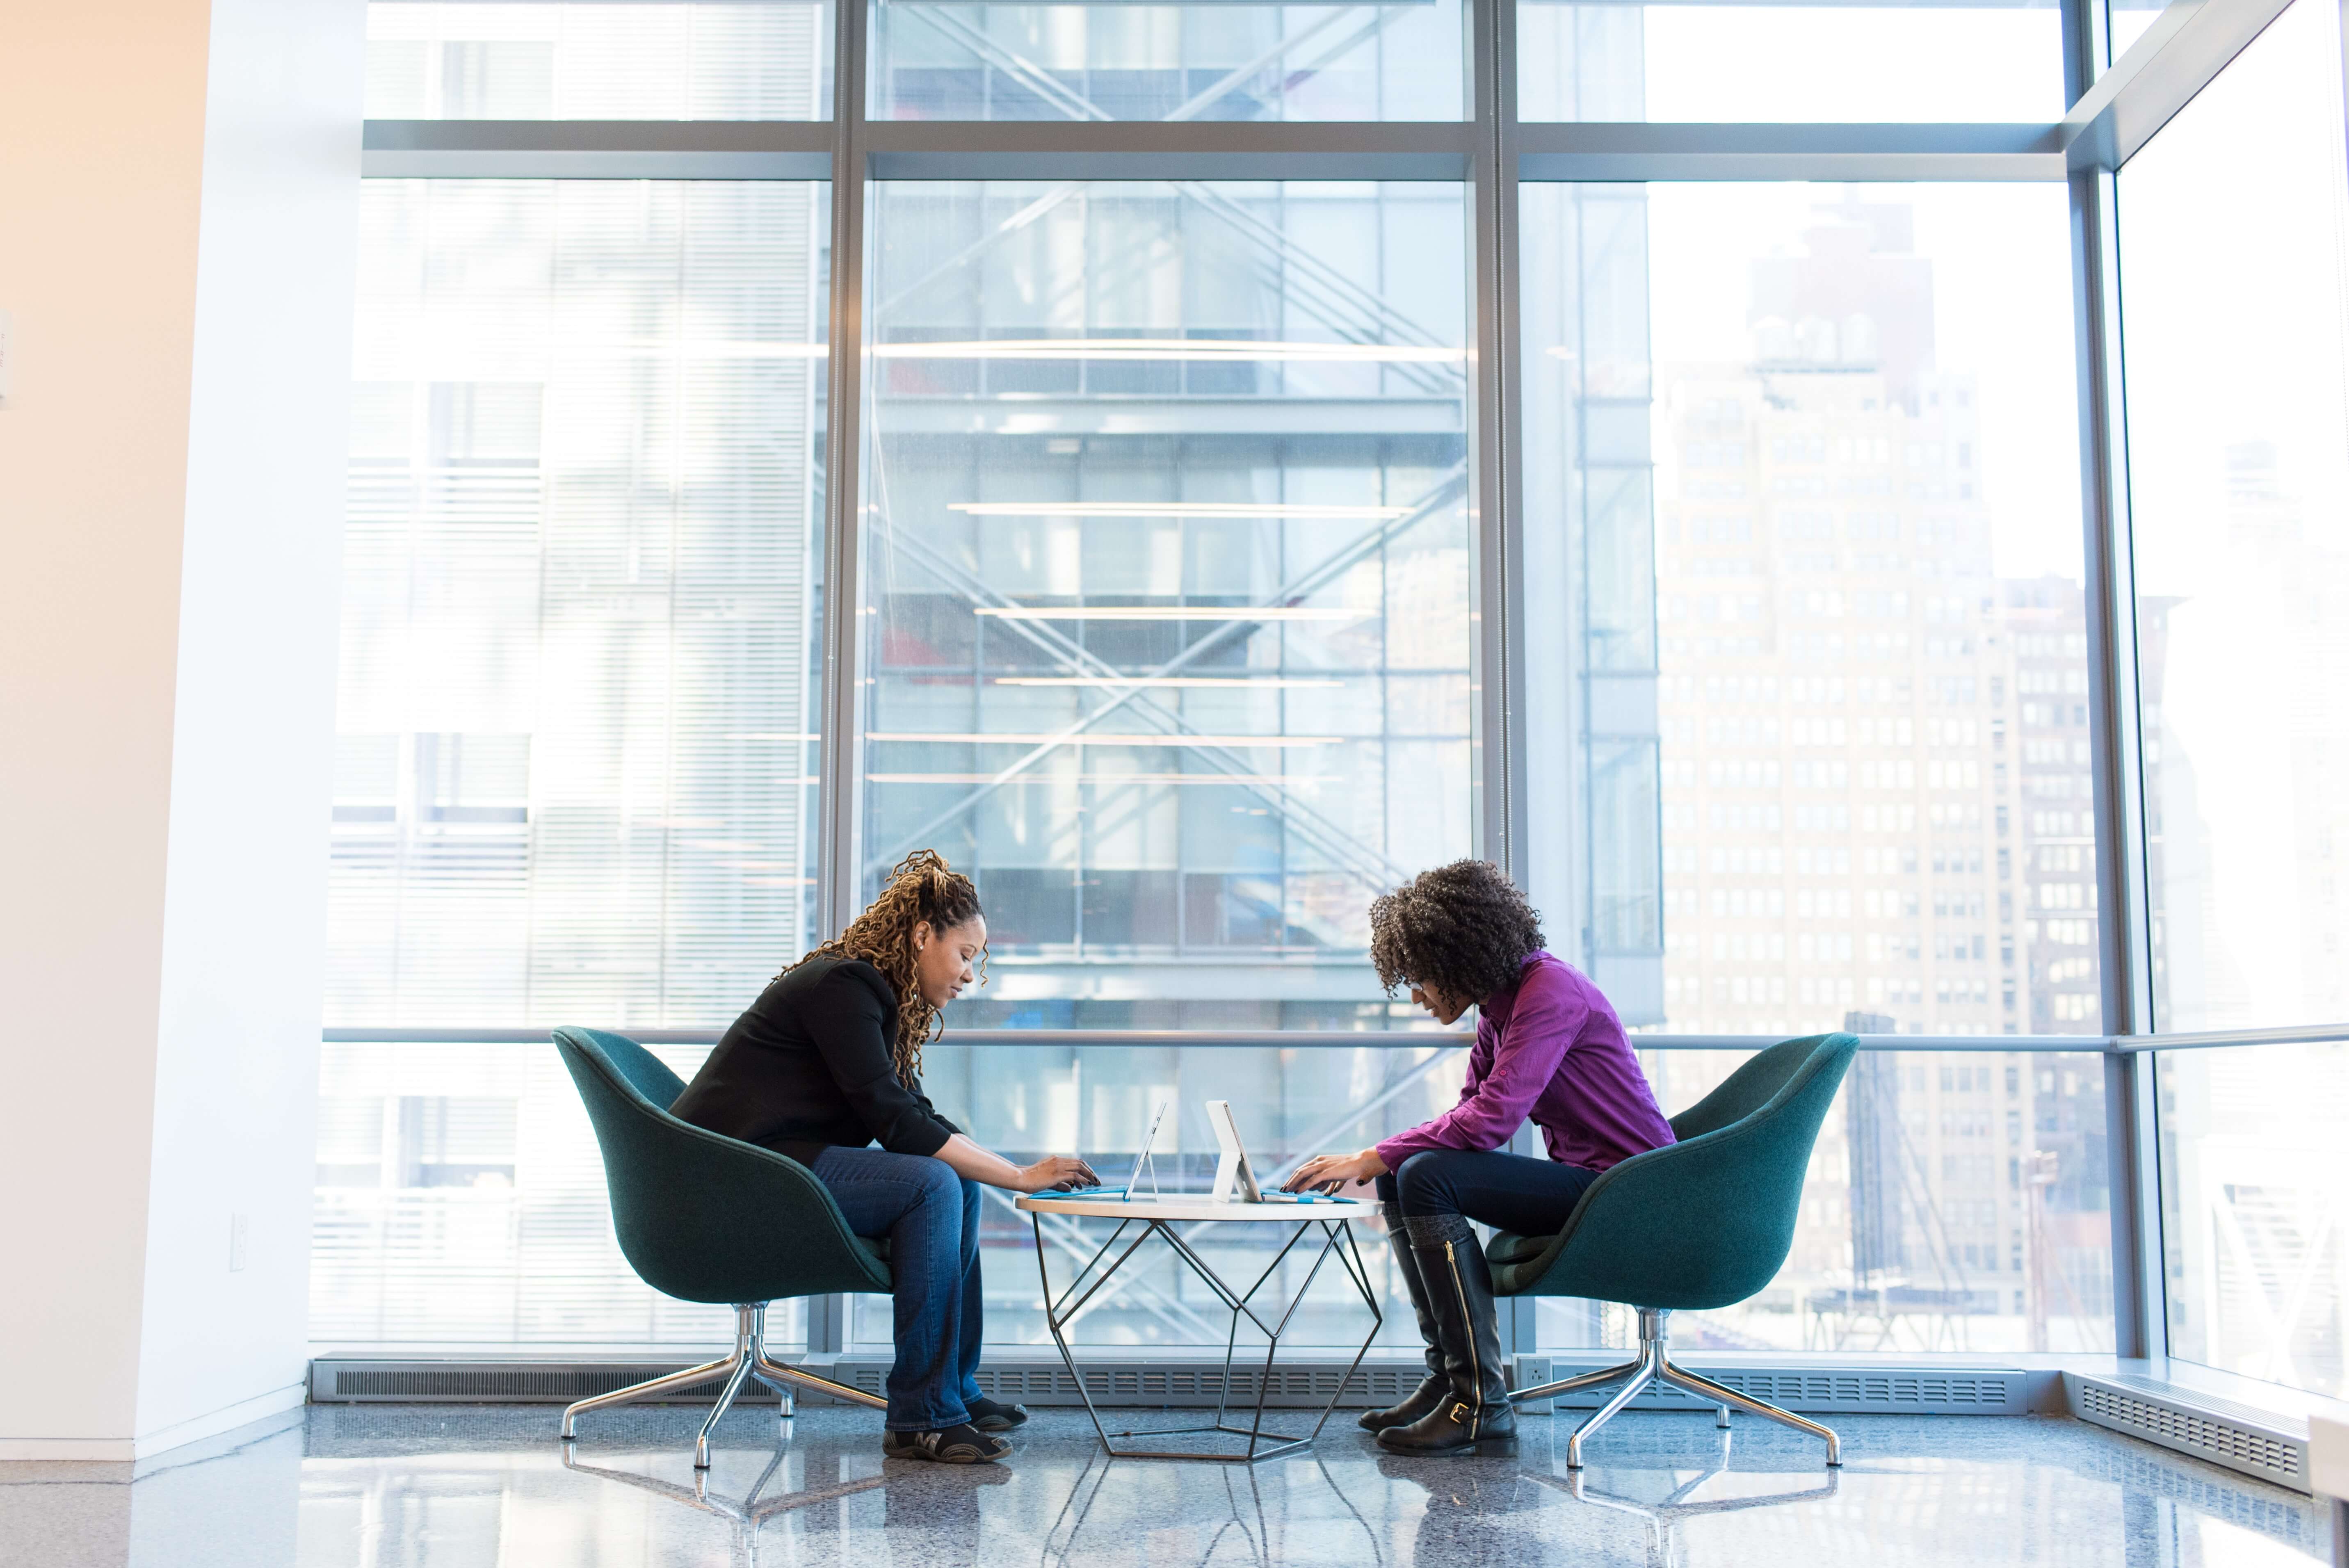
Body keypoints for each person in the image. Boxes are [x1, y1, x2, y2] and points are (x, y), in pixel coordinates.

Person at [671, 849, 1098, 1465]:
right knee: (932, 1184)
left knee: (954, 1180)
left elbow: (916, 1117)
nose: (970, 976)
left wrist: (1012, 1171)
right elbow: (896, 1127)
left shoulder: (872, 995)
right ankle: (922, 1417)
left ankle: (952, 1391)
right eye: (966, 956)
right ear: (923, 935)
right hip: (729, 1175)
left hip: (776, 1163)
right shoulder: (844, 986)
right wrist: (1018, 1178)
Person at [1284, 859, 1677, 1458]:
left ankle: (1481, 1404)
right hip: (1596, 1184)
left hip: (1633, 1192)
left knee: (1423, 1171)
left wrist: (1371, 1154)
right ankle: (1450, 1382)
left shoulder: (1550, 993)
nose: (1415, 995)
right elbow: (1469, 1110)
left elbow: (1492, 1121)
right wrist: (1378, 1161)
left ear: (1456, 959)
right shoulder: (1502, 1007)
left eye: (1419, 978)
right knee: (1407, 1173)